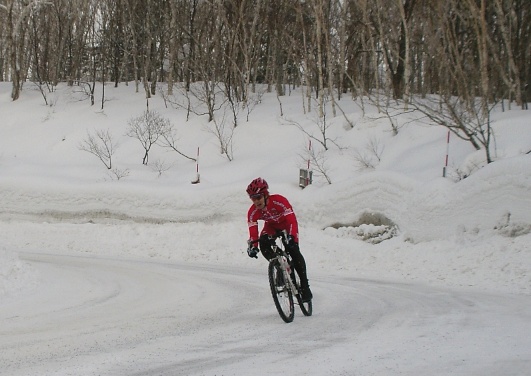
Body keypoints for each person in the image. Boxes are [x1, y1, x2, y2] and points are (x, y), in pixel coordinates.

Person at [246, 177, 313, 302]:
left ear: (265, 195)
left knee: (293, 250)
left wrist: (292, 237)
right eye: (253, 198)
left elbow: (292, 220)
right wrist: (253, 247)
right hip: (271, 227)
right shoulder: (252, 211)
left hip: (287, 225)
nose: (256, 201)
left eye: (258, 197)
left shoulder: (279, 201)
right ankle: (279, 268)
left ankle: (304, 285)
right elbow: (253, 232)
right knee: (263, 244)